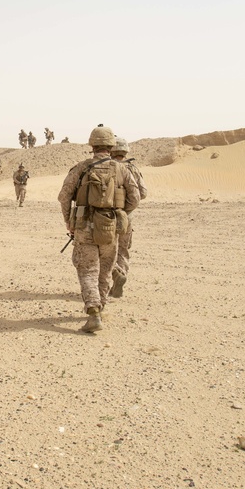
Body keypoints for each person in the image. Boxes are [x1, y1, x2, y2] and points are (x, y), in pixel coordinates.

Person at [58, 125, 140, 333]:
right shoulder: (122, 169)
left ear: (92, 145)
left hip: (84, 225)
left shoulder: (82, 167)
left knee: (87, 270)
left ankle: (93, 312)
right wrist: (119, 213)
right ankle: (101, 307)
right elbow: (135, 198)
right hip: (111, 227)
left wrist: (69, 220)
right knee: (105, 270)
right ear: (111, 145)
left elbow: (64, 196)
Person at [109, 137, 148, 298]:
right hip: (126, 217)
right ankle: (121, 272)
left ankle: (111, 276)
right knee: (123, 250)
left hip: (105, 216)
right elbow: (142, 193)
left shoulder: (106, 167)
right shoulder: (132, 168)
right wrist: (126, 210)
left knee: (104, 250)